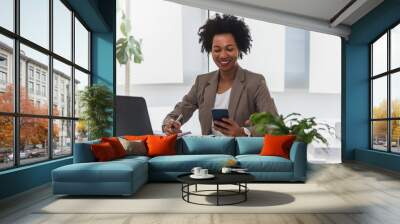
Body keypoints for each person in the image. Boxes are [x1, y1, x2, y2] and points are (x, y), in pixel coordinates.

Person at [162, 14, 278, 137]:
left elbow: (274, 126)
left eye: (229, 49)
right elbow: (179, 111)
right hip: (209, 151)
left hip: (240, 153)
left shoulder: (255, 82)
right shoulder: (202, 82)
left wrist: (243, 132)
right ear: (210, 50)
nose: (223, 55)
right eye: (217, 50)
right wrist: (169, 124)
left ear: (239, 49)